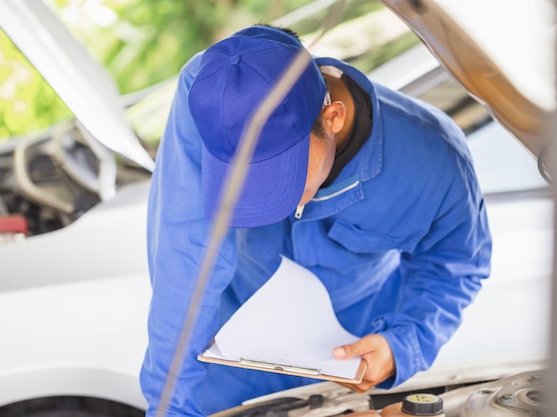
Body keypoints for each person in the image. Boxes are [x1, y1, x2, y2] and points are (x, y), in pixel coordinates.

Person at [140, 24, 491, 416]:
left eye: (281, 178)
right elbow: (186, 259)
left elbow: (456, 268)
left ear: (333, 118)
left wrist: (402, 344)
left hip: (340, 362)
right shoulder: (212, 97)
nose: (275, 204)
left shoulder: (436, 164)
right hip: (229, 353)